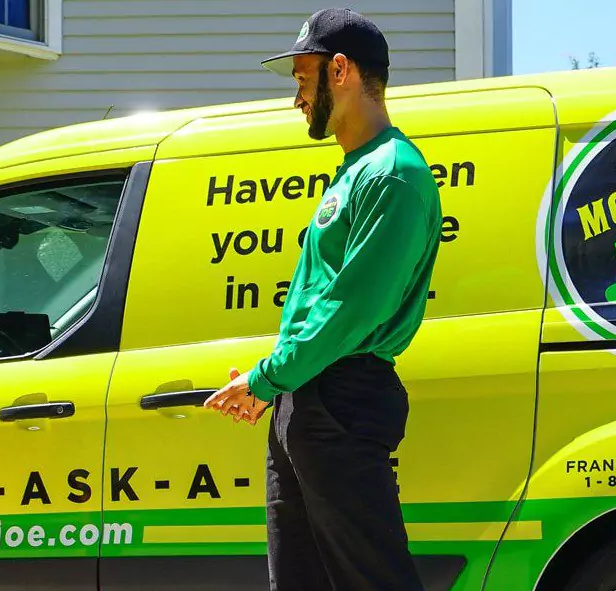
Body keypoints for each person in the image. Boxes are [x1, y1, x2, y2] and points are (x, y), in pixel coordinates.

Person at [204, 8, 444, 590]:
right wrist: (278, 382)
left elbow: (349, 309)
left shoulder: (391, 173)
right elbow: (326, 305)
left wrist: (267, 378)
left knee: (373, 579)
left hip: (342, 400)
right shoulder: (354, 169)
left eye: (301, 80)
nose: (296, 100)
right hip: (311, 402)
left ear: (339, 70)